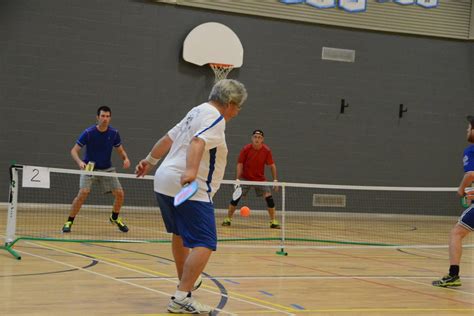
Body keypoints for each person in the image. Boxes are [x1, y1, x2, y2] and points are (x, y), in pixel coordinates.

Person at [135, 79, 247, 314]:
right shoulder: (215, 118)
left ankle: (184, 283)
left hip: (164, 181)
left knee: (179, 233)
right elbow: (198, 142)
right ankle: (181, 298)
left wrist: (149, 161)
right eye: (238, 107)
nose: (237, 112)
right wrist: (190, 172)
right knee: (205, 242)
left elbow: (167, 139)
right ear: (229, 103)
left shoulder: (195, 112)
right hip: (189, 187)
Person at [62, 106, 131, 233]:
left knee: (120, 194)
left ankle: (114, 217)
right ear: (97, 117)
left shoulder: (114, 133)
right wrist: (79, 162)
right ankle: (69, 221)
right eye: (103, 116)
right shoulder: (89, 132)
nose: (105, 119)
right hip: (90, 168)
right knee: (83, 193)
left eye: (107, 116)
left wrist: (125, 159)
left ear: (110, 118)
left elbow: (120, 150)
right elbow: (74, 150)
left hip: (107, 169)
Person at [432, 115, 474, 287]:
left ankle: (453, 275)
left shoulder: (471, 151)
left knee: (456, 233)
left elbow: (471, 174)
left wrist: (461, 189)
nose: (466, 130)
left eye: (469, 128)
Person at [222, 129, 280, 229]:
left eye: (259, 137)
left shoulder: (266, 151)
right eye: (255, 137)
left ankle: (273, 221)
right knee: (235, 198)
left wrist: (275, 180)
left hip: (260, 179)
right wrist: (237, 179)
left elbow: (272, 165)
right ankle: (228, 219)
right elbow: (240, 164)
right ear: (252, 138)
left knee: (269, 199)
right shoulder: (246, 149)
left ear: (262, 139)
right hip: (246, 178)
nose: (257, 139)